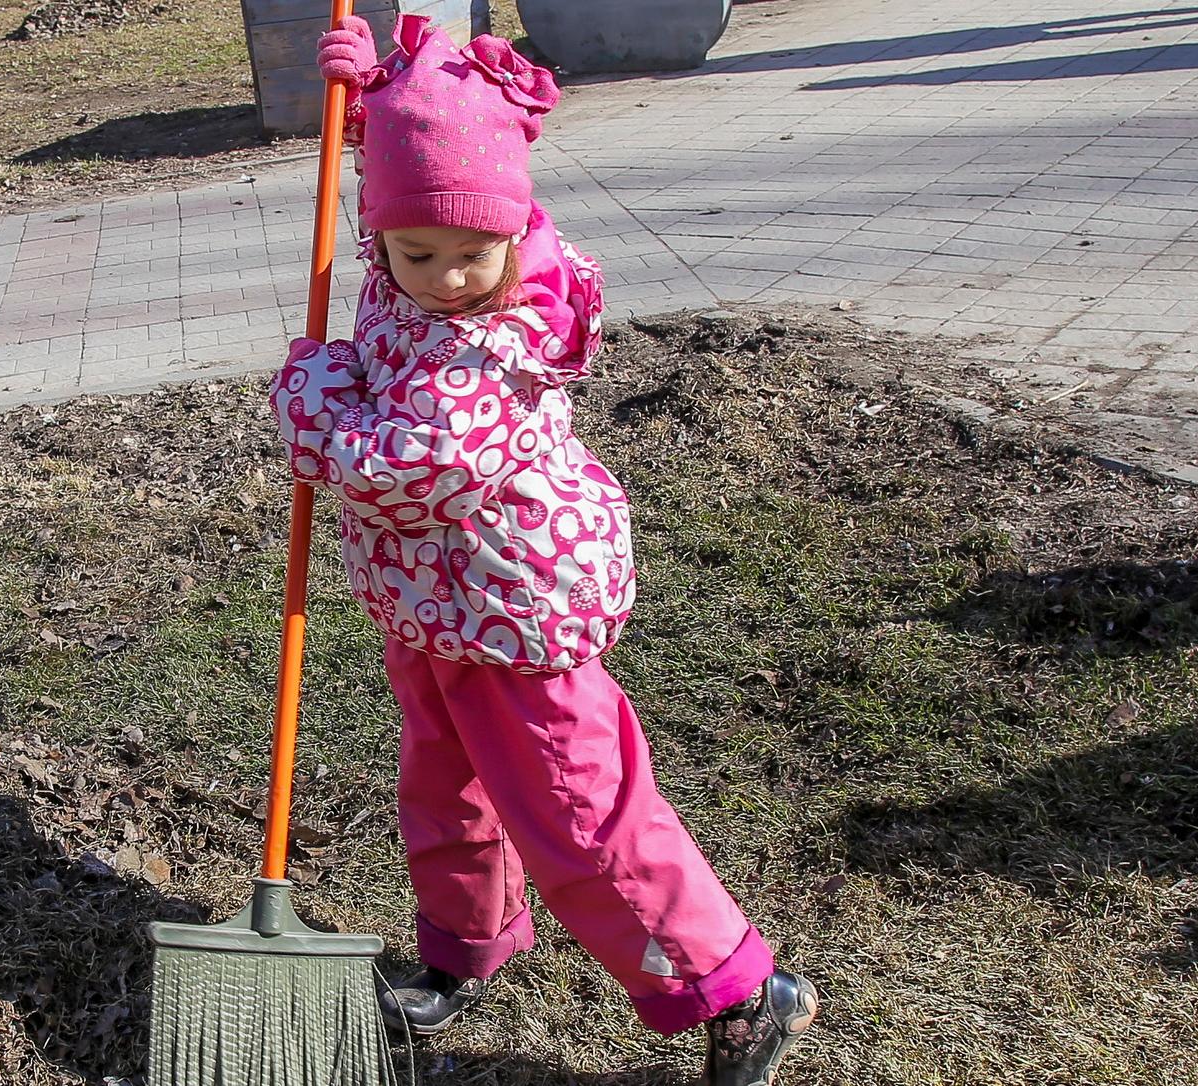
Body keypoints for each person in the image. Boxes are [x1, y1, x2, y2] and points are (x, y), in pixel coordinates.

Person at [272, 14, 820, 1085]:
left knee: (579, 817)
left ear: (517, 235)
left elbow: (402, 465)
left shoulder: (500, 341)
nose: (442, 278)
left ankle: (741, 992)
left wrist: (311, 389)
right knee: (445, 786)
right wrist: (373, 98)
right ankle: (460, 954)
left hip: (515, 613)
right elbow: (414, 182)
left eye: (471, 254)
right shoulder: (408, 253)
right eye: (413, 253)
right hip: (435, 605)